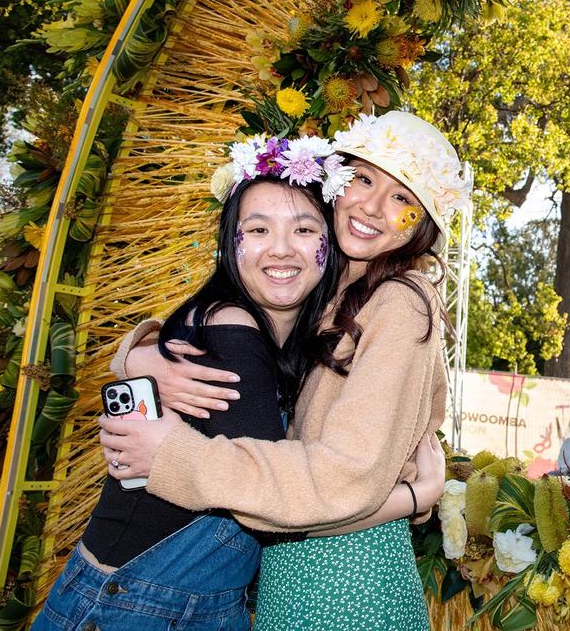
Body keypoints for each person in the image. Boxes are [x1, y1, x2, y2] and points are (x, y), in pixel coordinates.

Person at [34, 138, 445, 631]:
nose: (375, 207)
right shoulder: (308, 310)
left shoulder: (395, 302)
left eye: (405, 198)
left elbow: (335, 480)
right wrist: (143, 355)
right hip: (158, 597)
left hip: (341, 585)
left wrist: (420, 496)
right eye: (364, 178)